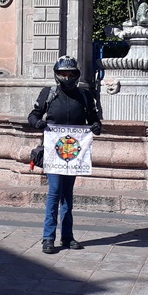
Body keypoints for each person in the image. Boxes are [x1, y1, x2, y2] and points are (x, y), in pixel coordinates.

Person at [27, 55, 102, 254]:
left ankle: (67, 236)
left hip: (74, 153)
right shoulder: (48, 94)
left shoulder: (85, 96)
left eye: (71, 74)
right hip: (54, 151)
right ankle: (48, 237)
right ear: (57, 75)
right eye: (63, 74)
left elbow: (94, 118)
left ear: (77, 75)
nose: (67, 77)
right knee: (54, 191)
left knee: (68, 194)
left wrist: (96, 126)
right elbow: (33, 115)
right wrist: (38, 123)